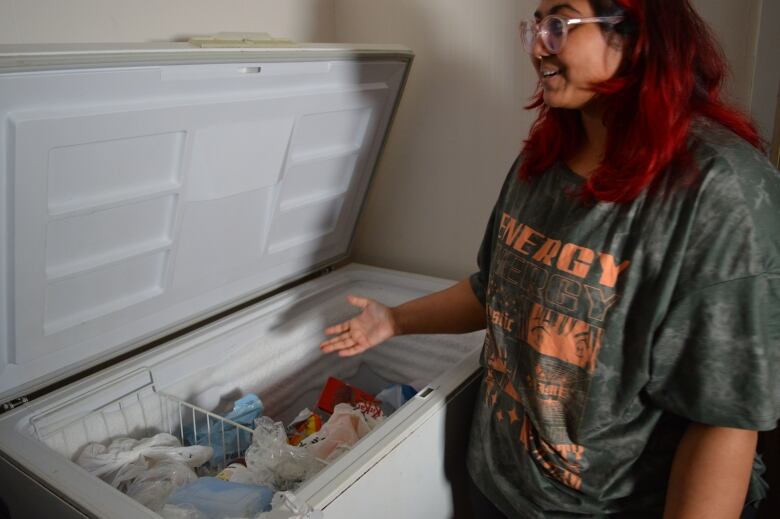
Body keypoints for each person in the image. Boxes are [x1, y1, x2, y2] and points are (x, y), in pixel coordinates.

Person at [320, 0, 780, 517]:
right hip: (497, 488)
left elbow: (724, 417)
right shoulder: (540, 162)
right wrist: (394, 320)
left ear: (634, 33)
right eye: (535, 26)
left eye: (559, 25)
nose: (538, 46)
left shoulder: (721, 190)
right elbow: (492, 289)